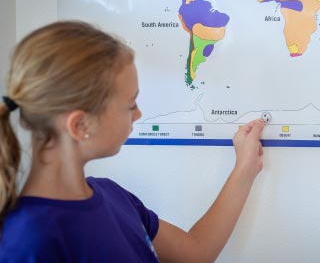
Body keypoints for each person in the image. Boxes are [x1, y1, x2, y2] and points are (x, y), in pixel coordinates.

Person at [0, 21, 264, 262]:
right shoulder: (27, 241)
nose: (138, 114)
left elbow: (195, 252)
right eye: (130, 105)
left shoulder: (112, 196)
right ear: (80, 125)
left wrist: (246, 167)